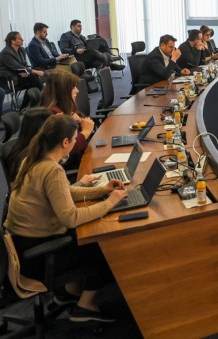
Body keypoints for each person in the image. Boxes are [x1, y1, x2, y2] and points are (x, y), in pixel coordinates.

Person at [3, 114, 128, 323]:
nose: (76, 142)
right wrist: (109, 203)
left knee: (83, 235)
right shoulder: (52, 170)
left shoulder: (33, 159)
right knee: (105, 247)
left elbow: (65, 192)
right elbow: (71, 218)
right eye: (75, 139)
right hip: (37, 258)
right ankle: (85, 306)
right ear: (65, 142)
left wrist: (102, 191)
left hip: (23, 245)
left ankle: (69, 292)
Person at [41, 70, 95, 170]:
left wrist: (80, 121)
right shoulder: (54, 115)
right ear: (63, 91)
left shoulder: (63, 108)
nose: (77, 91)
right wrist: (86, 132)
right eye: (73, 87)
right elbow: (66, 149)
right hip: (71, 168)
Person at [0, 31, 45, 107]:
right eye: (20, 39)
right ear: (13, 41)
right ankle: (45, 97)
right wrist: (35, 71)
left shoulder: (21, 50)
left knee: (32, 85)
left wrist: (26, 72)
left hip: (20, 76)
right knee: (33, 77)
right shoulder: (6, 53)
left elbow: (24, 65)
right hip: (9, 79)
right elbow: (17, 67)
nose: (22, 40)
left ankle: (25, 107)